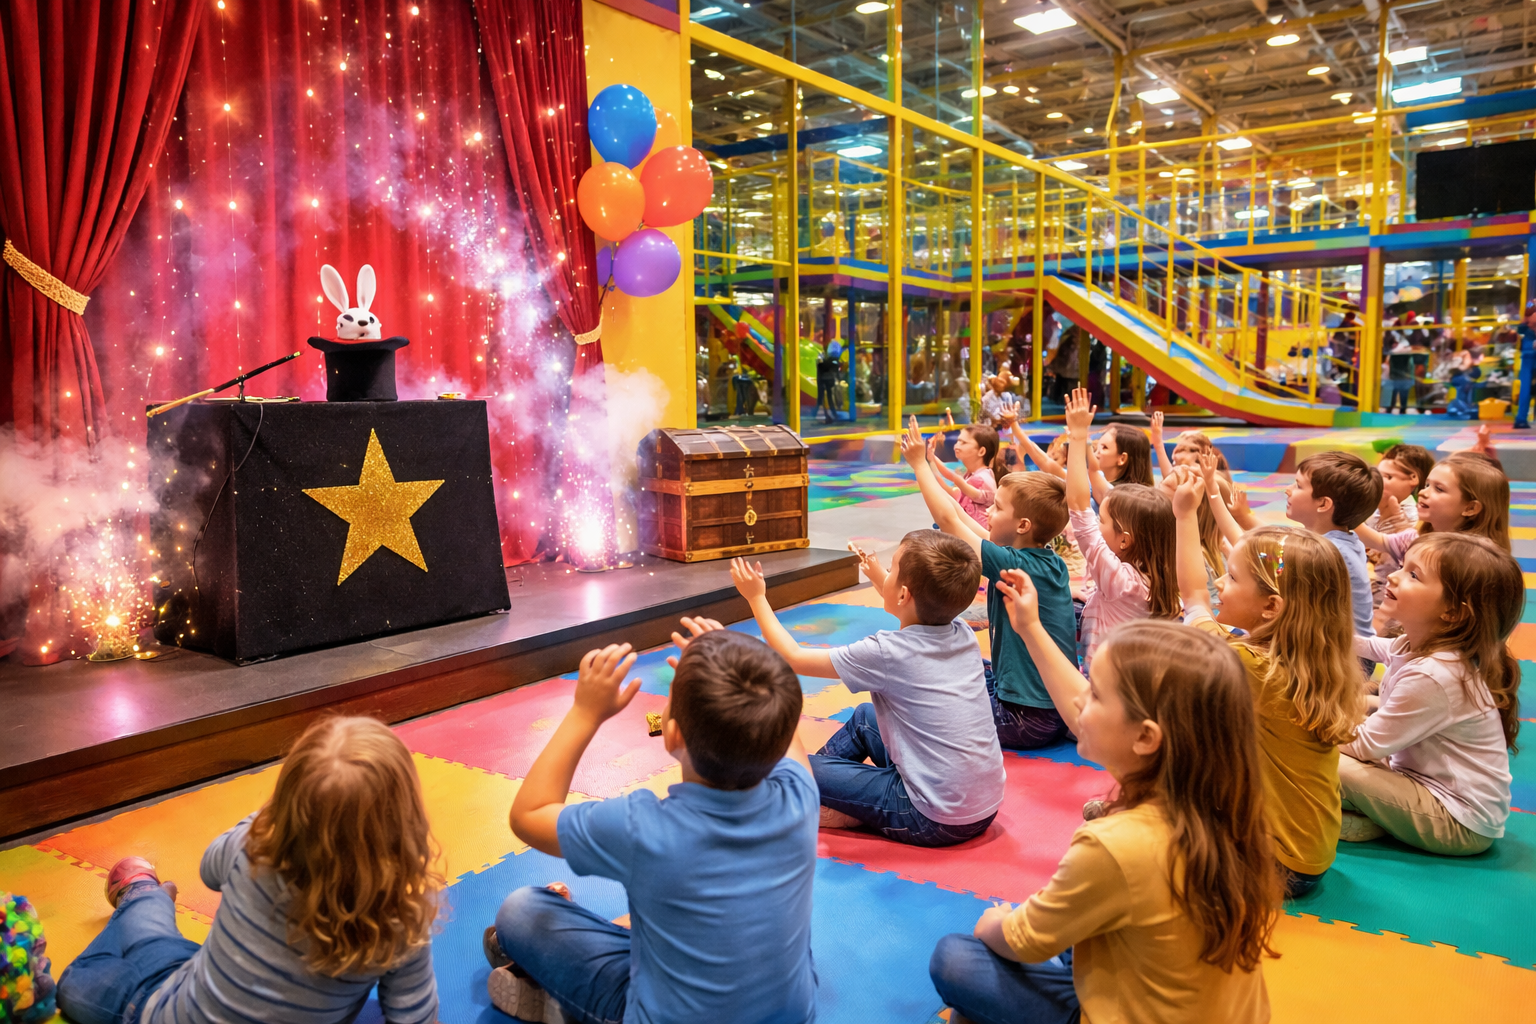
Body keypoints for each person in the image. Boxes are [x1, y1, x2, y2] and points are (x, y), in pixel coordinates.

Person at [930, 595, 1278, 1024]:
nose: (1080, 703)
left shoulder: (1118, 844)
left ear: (1147, 738)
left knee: (955, 957)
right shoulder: (1223, 807)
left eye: (1094, 693)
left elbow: (1023, 940)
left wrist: (994, 922)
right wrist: (1031, 628)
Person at [492, 625, 817, 1024]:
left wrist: (583, 714)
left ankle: (566, 1007)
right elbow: (787, 728)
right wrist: (736, 660)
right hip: (791, 1016)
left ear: (671, 733)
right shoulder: (801, 794)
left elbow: (527, 815)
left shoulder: (641, 827)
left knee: (521, 911)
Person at [57, 717, 440, 1024]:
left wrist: (265, 820)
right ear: (403, 820)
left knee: (79, 982)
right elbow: (416, 1016)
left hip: (161, 1004)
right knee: (174, 953)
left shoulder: (253, 852)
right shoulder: (399, 920)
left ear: (288, 799)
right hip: (204, 978)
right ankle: (150, 905)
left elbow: (209, 869)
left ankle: (141, 893)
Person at [737, 535, 1006, 846]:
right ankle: (827, 798)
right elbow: (918, 606)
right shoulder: (962, 632)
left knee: (792, 764)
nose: (886, 575)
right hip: (983, 808)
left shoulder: (887, 653)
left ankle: (813, 798)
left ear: (904, 594)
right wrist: (881, 575)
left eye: (891, 570)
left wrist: (756, 597)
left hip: (932, 819)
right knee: (866, 716)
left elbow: (794, 657)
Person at [1172, 474, 1365, 898]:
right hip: (1312, 854)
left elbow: (1193, 597)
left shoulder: (1250, 665)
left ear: (1271, 608)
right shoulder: (1316, 662)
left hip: (1273, 865)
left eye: (1233, 577)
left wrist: (1184, 515)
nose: (1221, 582)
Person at [903, 415, 1078, 750]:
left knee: (929, 696)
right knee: (960, 661)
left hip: (1024, 720)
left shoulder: (1013, 564)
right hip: (1056, 710)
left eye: (996, 508)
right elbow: (961, 518)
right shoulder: (1047, 562)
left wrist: (920, 466)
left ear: (1023, 525)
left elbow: (949, 520)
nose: (989, 514)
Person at [1340, 534, 1523, 855]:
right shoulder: (1415, 645)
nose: (1394, 575)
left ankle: (1371, 816)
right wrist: (1312, 630)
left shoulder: (1436, 672)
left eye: (1413, 574)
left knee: (1323, 757)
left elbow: (1363, 746)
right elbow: (1365, 645)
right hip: (1418, 785)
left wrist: (1308, 729)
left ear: (1453, 612)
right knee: (1347, 724)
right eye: (1402, 565)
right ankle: (1376, 817)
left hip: (1457, 821)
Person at [1065, 389, 1179, 674]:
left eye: (1101, 520)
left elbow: (1078, 507)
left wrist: (1078, 437)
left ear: (1125, 540)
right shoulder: (1156, 574)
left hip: (1103, 679)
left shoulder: (1119, 579)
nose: (1095, 523)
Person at [1284, 451, 1383, 640]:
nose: (1288, 490)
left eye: (1298, 485)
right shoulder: (1336, 538)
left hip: (1353, 656)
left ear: (1323, 504)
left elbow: (1270, 561)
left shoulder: (1332, 550)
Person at [1356, 451, 1511, 562]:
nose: (1423, 492)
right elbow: (1377, 540)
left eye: (1439, 489)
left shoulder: (1472, 560)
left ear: (1470, 508)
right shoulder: (1415, 539)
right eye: (1427, 484)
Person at [1365, 444, 1434, 616]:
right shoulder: (1373, 510)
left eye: (1388, 477)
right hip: (1374, 590)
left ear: (1413, 479)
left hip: (1393, 597)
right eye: (1378, 475)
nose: (1379, 482)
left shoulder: (1413, 517)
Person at [928, 424, 1007, 527]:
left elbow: (954, 479)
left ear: (981, 451)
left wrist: (931, 459)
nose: (957, 445)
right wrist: (931, 458)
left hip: (978, 539)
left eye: (963, 442)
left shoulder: (982, 479)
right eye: (958, 441)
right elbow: (951, 489)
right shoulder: (971, 475)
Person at [1513, 300, 1536, 428]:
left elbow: (1521, 327)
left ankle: (1521, 418)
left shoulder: (1531, 304)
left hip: (1528, 350)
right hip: (1529, 350)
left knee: (1525, 386)